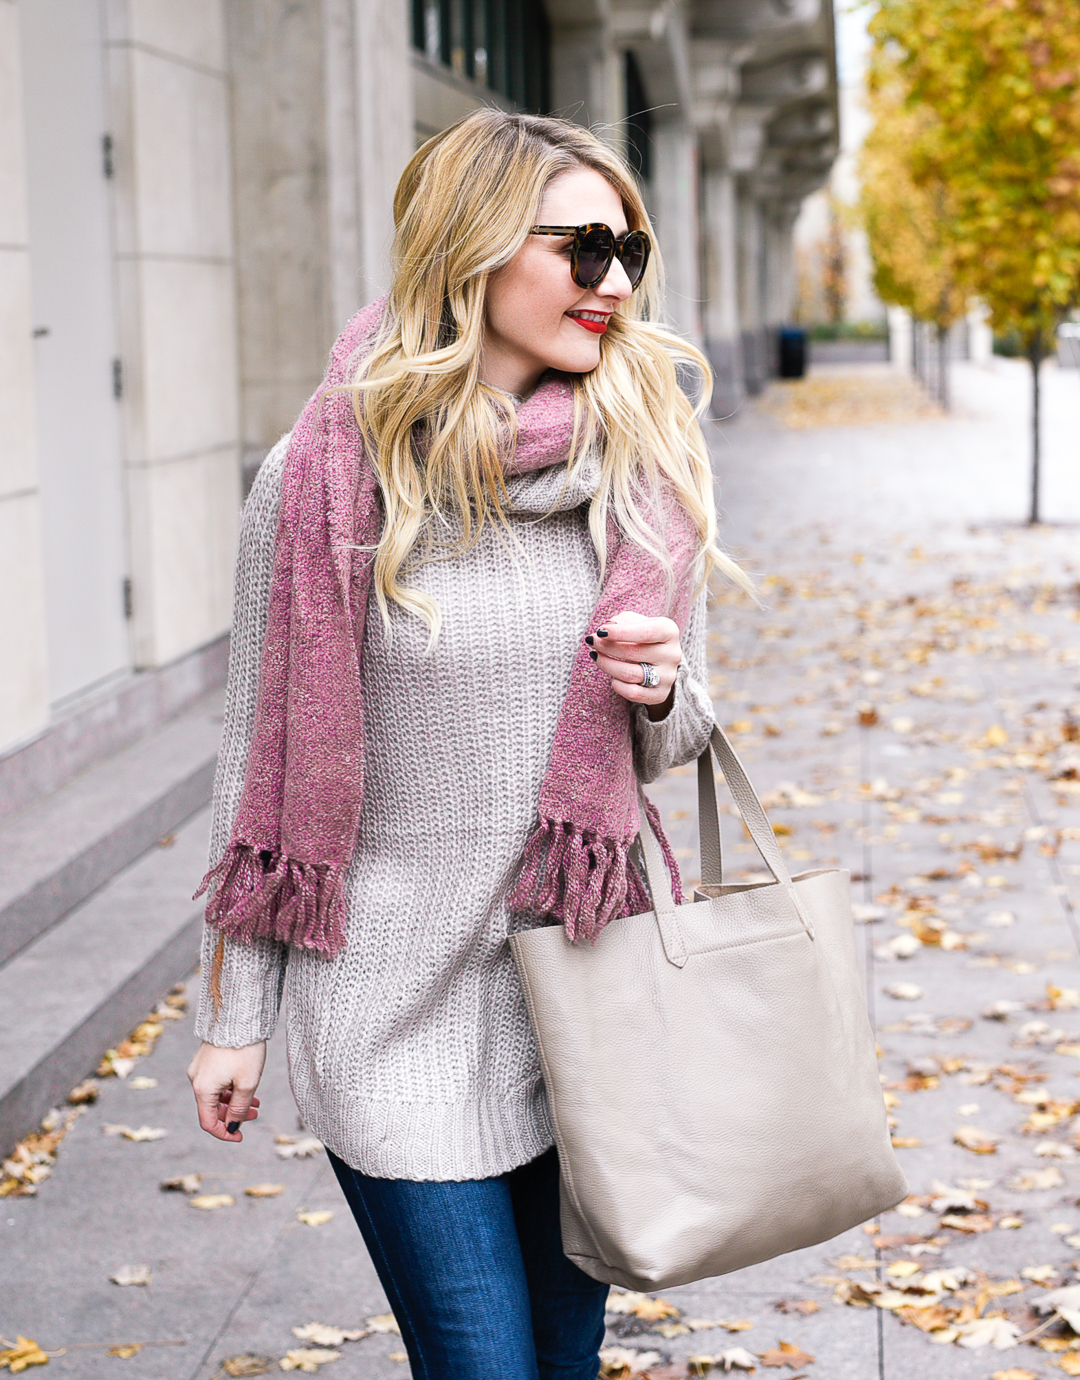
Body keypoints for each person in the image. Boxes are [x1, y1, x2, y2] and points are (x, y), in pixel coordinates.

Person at [187, 108, 744, 1380]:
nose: (613, 284)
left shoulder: (641, 464)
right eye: (581, 248)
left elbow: (690, 731)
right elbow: (253, 766)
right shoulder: (323, 474)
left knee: (563, 1358)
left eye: (631, 252)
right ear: (474, 246)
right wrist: (234, 1016)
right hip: (388, 1007)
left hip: (587, 1000)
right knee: (484, 1364)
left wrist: (661, 694)